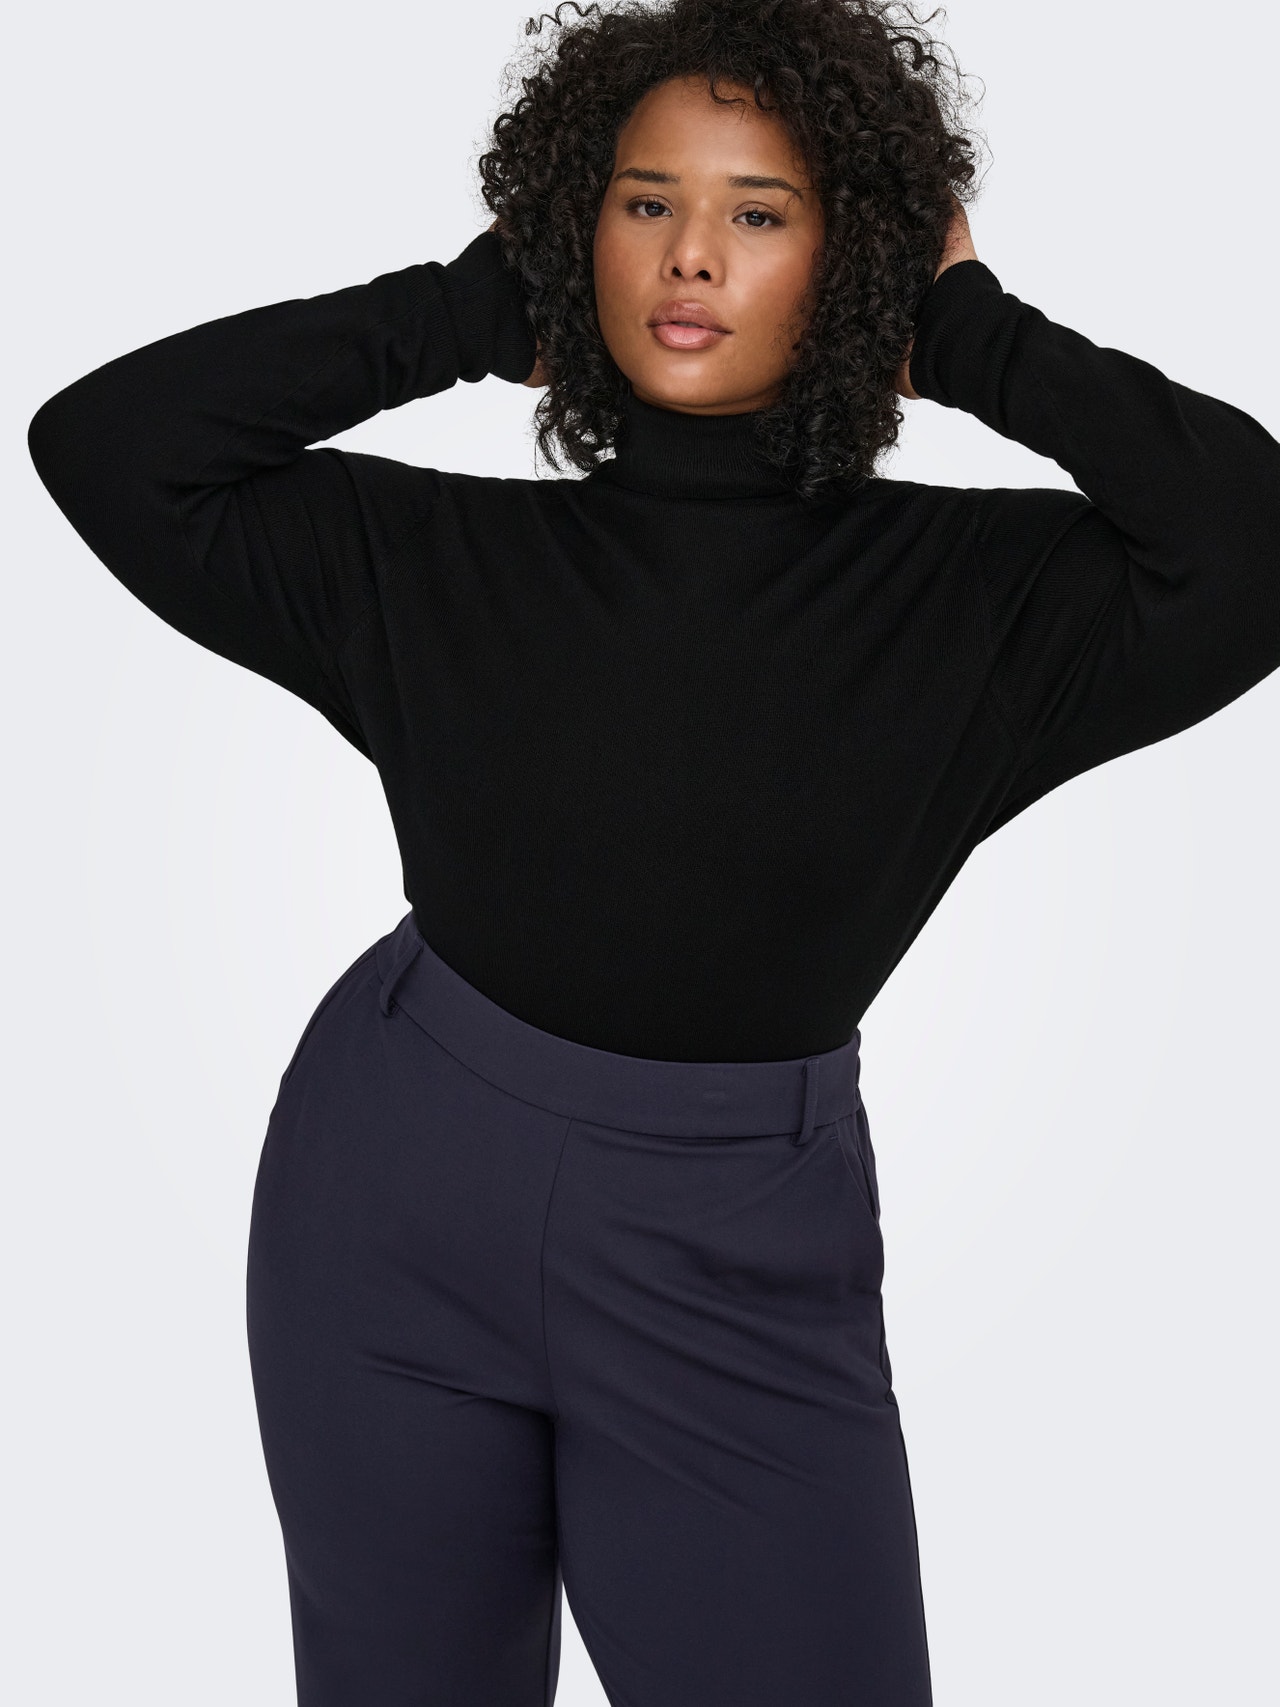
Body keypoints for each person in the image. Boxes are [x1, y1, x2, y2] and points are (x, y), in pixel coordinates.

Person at [26, 1, 1280, 1702]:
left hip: (736, 1244)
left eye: (760, 212)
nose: (691, 255)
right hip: (389, 1191)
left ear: (854, 260)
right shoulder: (430, 556)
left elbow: (1251, 547)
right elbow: (110, 444)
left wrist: (970, 330)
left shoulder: (983, 602)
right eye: (642, 203)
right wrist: (467, 312)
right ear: (581, 235)